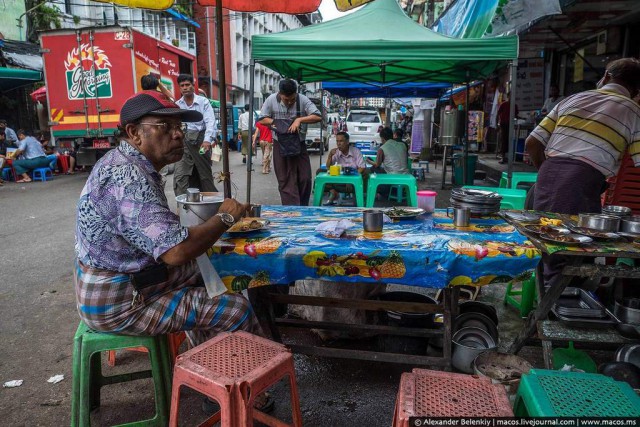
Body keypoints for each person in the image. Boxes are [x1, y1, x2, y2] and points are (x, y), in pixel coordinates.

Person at [74, 89, 260, 349]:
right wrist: (225, 217)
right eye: (165, 126)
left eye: (179, 125)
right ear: (134, 132)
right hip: (119, 301)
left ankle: (209, 357)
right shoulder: (127, 176)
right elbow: (175, 252)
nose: (179, 133)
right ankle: (245, 380)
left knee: (211, 271)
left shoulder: (125, 162)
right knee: (235, 307)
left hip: (118, 284)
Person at [525, 58, 640, 286]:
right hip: (580, 181)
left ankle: (552, 306)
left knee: (552, 246)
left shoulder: (573, 98)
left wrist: (549, 173)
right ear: (636, 90)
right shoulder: (633, 110)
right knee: (567, 251)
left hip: (549, 176)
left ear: (606, 76)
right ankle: (555, 312)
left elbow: (532, 143)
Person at [258, 79, 322, 205]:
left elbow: (318, 116)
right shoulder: (271, 100)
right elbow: (261, 119)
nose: (289, 102)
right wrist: (275, 122)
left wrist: (299, 120)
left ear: (296, 94)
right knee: (285, 180)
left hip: (299, 144)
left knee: (305, 178)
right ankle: (291, 210)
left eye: (292, 99)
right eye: (286, 99)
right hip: (280, 144)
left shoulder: (302, 99)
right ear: (280, 94)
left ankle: (302, 207)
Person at [174, 74, 218, 196]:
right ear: (179, 88)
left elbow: (210, 122)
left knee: (204, 175)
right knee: (180, 177)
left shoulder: (203, 102)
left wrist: (207, 140)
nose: (185, 88)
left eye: (187, 85)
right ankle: (183, 207)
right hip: (184, 143)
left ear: (193, 86)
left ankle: (212, 205)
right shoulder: (177, 105)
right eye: (182, 85)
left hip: (201, 143)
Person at [322, 131, 366, 205]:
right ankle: (334, 192)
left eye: (341, 141)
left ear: (347, 142)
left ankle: (357, 198)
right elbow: (328, 167)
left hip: (353, 181)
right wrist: (330, 156)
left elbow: (362, 168)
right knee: (320, 172)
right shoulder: (336, 152)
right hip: (340, 180)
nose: (338, 143)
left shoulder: (356, 151)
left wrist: (351, 180)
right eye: (337, 141)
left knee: (366, 173)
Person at [497, 95, 519, 164]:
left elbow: (515, 115)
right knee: (504, 140)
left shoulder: (515, 106)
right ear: (508, 97)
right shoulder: (504, 104)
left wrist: (521, 118)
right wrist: (496, 124)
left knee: (509, 140)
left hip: (510, 124)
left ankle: (506, 157)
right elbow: (498, 114)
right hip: (503, 124)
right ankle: (503, 157)